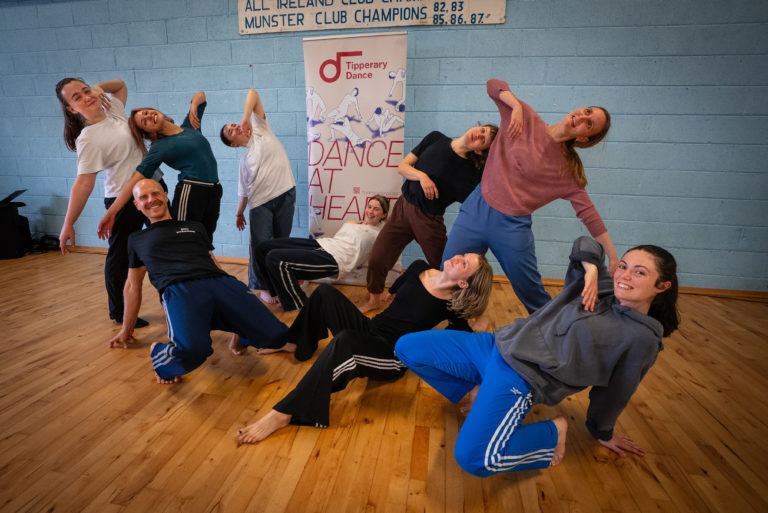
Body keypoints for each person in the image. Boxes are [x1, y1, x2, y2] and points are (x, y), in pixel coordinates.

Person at [395, 236, 680, 477]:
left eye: (640, 273)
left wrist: (601, 431)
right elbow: (586, 243)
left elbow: (617, 391)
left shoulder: (641, 338)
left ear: (662, 286)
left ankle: (553, 432)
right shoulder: (600, 286)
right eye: (624, 266)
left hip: (520, 377)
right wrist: (593, 270)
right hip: (496, 345)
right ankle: (474, 391)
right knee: (407, 347)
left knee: (476, 459)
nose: (625, 276)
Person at [236, 252, 494, 444]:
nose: (457, 257)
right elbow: (393, 297)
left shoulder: (451, 308)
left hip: (391, 356)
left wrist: (476, 387)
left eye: (464, 264)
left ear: (463, 284)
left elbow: (467, 350)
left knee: (345, 342)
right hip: (371, 329)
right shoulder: (418, 268)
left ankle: (284, 412)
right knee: (325, 293)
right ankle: (295, 342)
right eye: (462, 255)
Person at [441, 78, 618, 315]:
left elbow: (588, 213)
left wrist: (613, 256)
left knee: (531, 292)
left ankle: (555, 336)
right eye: (587, 112)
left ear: (585, 138)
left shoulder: (569, 172)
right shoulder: (526, 118)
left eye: (589, 124)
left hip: (511, 227)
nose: (582, 118)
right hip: (476, 209)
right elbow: (494, 85)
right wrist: (515, 106)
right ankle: (458, 324)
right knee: (448, 273)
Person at [108, 179, 289, 384]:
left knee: (277, 336)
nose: (152, 200)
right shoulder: (136, 239)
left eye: (156, 193)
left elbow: (213, 262)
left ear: (166, 196)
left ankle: (241, 332)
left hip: (220, 282)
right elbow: (132, 285)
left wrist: (233, 293)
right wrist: (126, 328)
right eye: (144, 197)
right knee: (193, 351)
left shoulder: (195, 227)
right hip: (180, 289)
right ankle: (159, 352)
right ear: (137, 205)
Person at [55, 77, 162, 328]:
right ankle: (120, 311)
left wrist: (100, 88)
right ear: (72, 109)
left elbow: (121, 85)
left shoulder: (113, 109)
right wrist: (68, 222)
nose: (86, 97)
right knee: (121, 257)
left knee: (169, 244)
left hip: (153, 188)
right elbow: (83, 183)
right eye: (77, 98)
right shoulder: (88, 139)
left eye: (86, 90)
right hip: (123, 201)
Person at [360, 125, 497, 313]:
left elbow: (479, 206)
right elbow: (403, 167)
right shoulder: (435, 138)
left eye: (484, 139)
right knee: (378, 257)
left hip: (428, 220)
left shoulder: (469, 175)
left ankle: (462, 311)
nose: (479, 135)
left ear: (480, 150)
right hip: (402, 208)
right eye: (482, 130)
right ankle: (374, 299)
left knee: (445, 266)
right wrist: (422, 176)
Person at [97, 90, 221, 242]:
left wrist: (194, 105)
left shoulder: (190, 125)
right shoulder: (159, 147)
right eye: (144, 121)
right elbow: (135, 179)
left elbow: (201, 95)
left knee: (206, 237)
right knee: (184, 239)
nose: (149, 116)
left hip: (214, 189)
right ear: (148, 133)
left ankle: (206, 266)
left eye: (147, 112)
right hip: (191, 190)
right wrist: (111, 213)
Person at [220, 88, 296, 302]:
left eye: (234, 125)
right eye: (231, 131)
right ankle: (264, 287)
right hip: (260, 204)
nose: (235, 128)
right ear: (233, 144)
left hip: (285, 194)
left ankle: (282, 286)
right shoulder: (244, 161)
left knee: (281, 243)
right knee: (261, 246)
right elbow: (243, 191)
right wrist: (239, 213)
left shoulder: (262, 130)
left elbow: (253, 93)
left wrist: (245, 118)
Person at [254, 195, 389, 311]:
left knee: (275, 258)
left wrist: (378, 292)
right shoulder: (352, 222)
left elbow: (377, 264)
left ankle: (297, 303)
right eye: (369, 206)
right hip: (322, 244)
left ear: (384, 215)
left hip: (335, 259)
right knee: (263, 248)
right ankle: (275, 292)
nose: (371, 211)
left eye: (376, 209)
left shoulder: (379, 235)